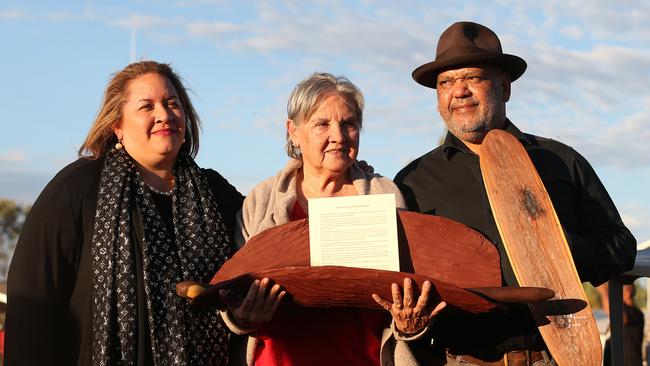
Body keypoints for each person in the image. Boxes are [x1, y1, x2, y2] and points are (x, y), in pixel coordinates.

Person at [394, 21, 637, 365]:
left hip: (555, 356)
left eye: (473, 78)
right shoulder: (413, 181)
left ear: (505, 88)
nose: (459, 91)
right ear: (437, 98)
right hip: (461, 359)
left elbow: (622, 245)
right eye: (446, 82)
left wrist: (562, 252)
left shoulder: (560, 162)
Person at [5, 61, 244, 365]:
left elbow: (261, 251)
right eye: (147, 106)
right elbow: (34, 298)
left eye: (173, 103)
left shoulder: (215, 192)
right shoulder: (77, 188)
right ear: (117, 125)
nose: (164, 114)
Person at [220, 72, 446, 366]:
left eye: (349, 124)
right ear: (294, 131)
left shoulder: (384, 195)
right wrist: (242, 317)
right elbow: (234, 295)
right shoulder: (262, 201)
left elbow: (408, 287)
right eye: (322, 124)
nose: (338, 136)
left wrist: (409, 324)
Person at [598, 283, 644, 366]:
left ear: (628, 293)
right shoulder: (625, 309)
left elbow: (614, 313)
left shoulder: (636, 313)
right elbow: (609, 309)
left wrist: (603, 291)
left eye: (621, 290)